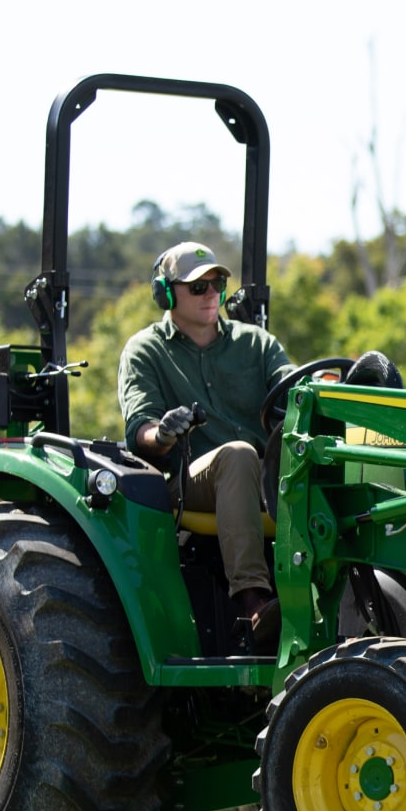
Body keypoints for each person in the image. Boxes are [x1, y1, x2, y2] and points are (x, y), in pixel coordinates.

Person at [119, 240, 293, 637]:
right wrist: (163, 432)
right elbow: (140, 430)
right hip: (191, 481)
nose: (211, 294)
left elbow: (294, 390)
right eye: (198, 287)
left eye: (218, 284)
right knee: (238, 456)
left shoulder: (257, 344)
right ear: (165, 294)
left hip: (265, 478)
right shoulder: (146, 351)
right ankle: (253, 602)